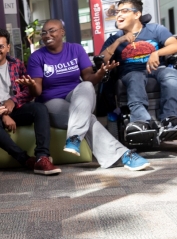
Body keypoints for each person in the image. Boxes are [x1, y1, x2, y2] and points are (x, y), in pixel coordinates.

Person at [25, 19, 151, 171]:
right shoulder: (37, 57)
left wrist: (101, 73)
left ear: (62, 32)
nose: (47, 35)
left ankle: (74, 138)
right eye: (44, 32)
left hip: (77, 97)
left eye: (52, 30)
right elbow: (37, 91)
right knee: (88, 118)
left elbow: (89, 79)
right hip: (51, 102)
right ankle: (124, 155)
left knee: (85, 86)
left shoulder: (76, 49)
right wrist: (32, 85)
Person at [99, 0, 177, 141]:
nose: (119, 15)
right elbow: (101, 60)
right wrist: (118, 41)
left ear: (137, 14)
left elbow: (175, 45)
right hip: (130, 72)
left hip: (157, 68)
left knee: (171, 74)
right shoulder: (114, 38)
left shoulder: (155, 29)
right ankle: (141, 120)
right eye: (117, 12)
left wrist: (157, 52)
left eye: (124, 11)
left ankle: (170, 119)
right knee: (135, 77)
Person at [0, 28, 61, 175]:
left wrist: (13, 101)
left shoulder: (17, 64)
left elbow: (27, 90)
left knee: (39, 109)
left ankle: (42, 158)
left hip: (16, 109)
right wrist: (2, 113)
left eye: (0, 46)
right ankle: (25, 159)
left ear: (8, 47)